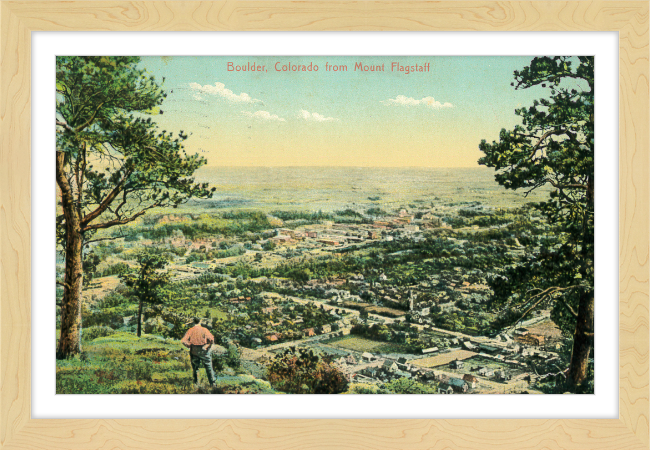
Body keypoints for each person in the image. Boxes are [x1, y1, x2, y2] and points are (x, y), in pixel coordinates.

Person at [181, 318, 216, 386]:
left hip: (194, 350)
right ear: (200, 322)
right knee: (208, 366)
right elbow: (211, 340)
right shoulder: (204, 330)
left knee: (195, 367)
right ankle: (213, 383)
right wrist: (207, 346)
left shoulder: (190, 330)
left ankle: (196, 383)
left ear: (193, 322)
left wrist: (190, 346)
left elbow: (183, 341)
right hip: (204, 350)